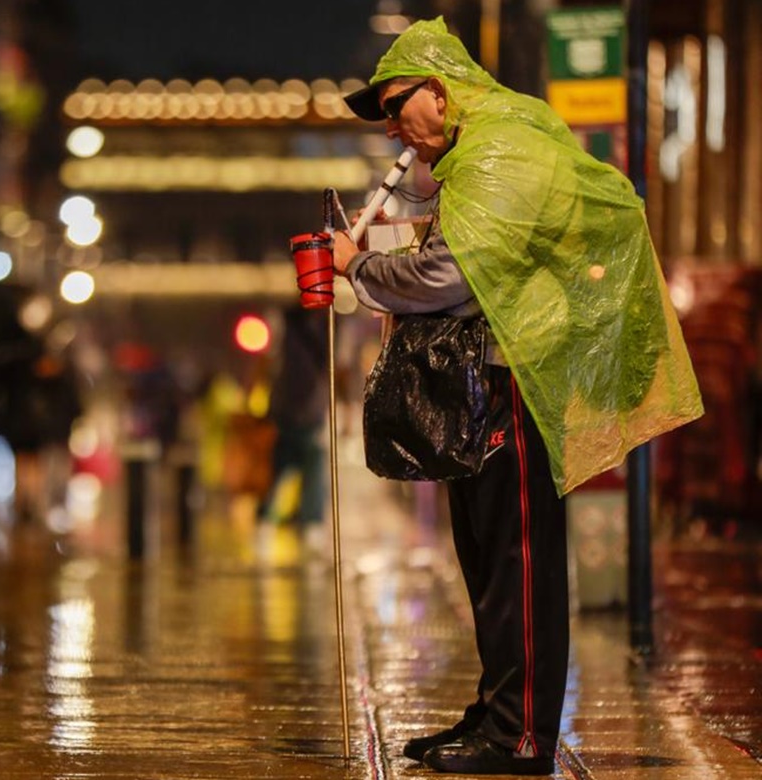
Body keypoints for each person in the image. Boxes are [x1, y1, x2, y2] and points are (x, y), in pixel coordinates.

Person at [331, 18, 703, 776]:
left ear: (437, 91)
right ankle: (496, 712)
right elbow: (456, 253)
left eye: (396, 107)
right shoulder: (478, 153)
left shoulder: (501, 148)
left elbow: (449, 276)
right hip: (493, 374)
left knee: (518, 558)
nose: (394, 128)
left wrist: (356, 269)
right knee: (486, 559)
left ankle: (521, 736)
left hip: (517, 377)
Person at [257, 306, 329, 553]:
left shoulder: (286, 323)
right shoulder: (325, 326)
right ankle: (309, 524)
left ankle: (270, 519)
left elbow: (269, 365)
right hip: (305, 410)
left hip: (292, 410)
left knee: (286, 468)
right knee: (306, 469)